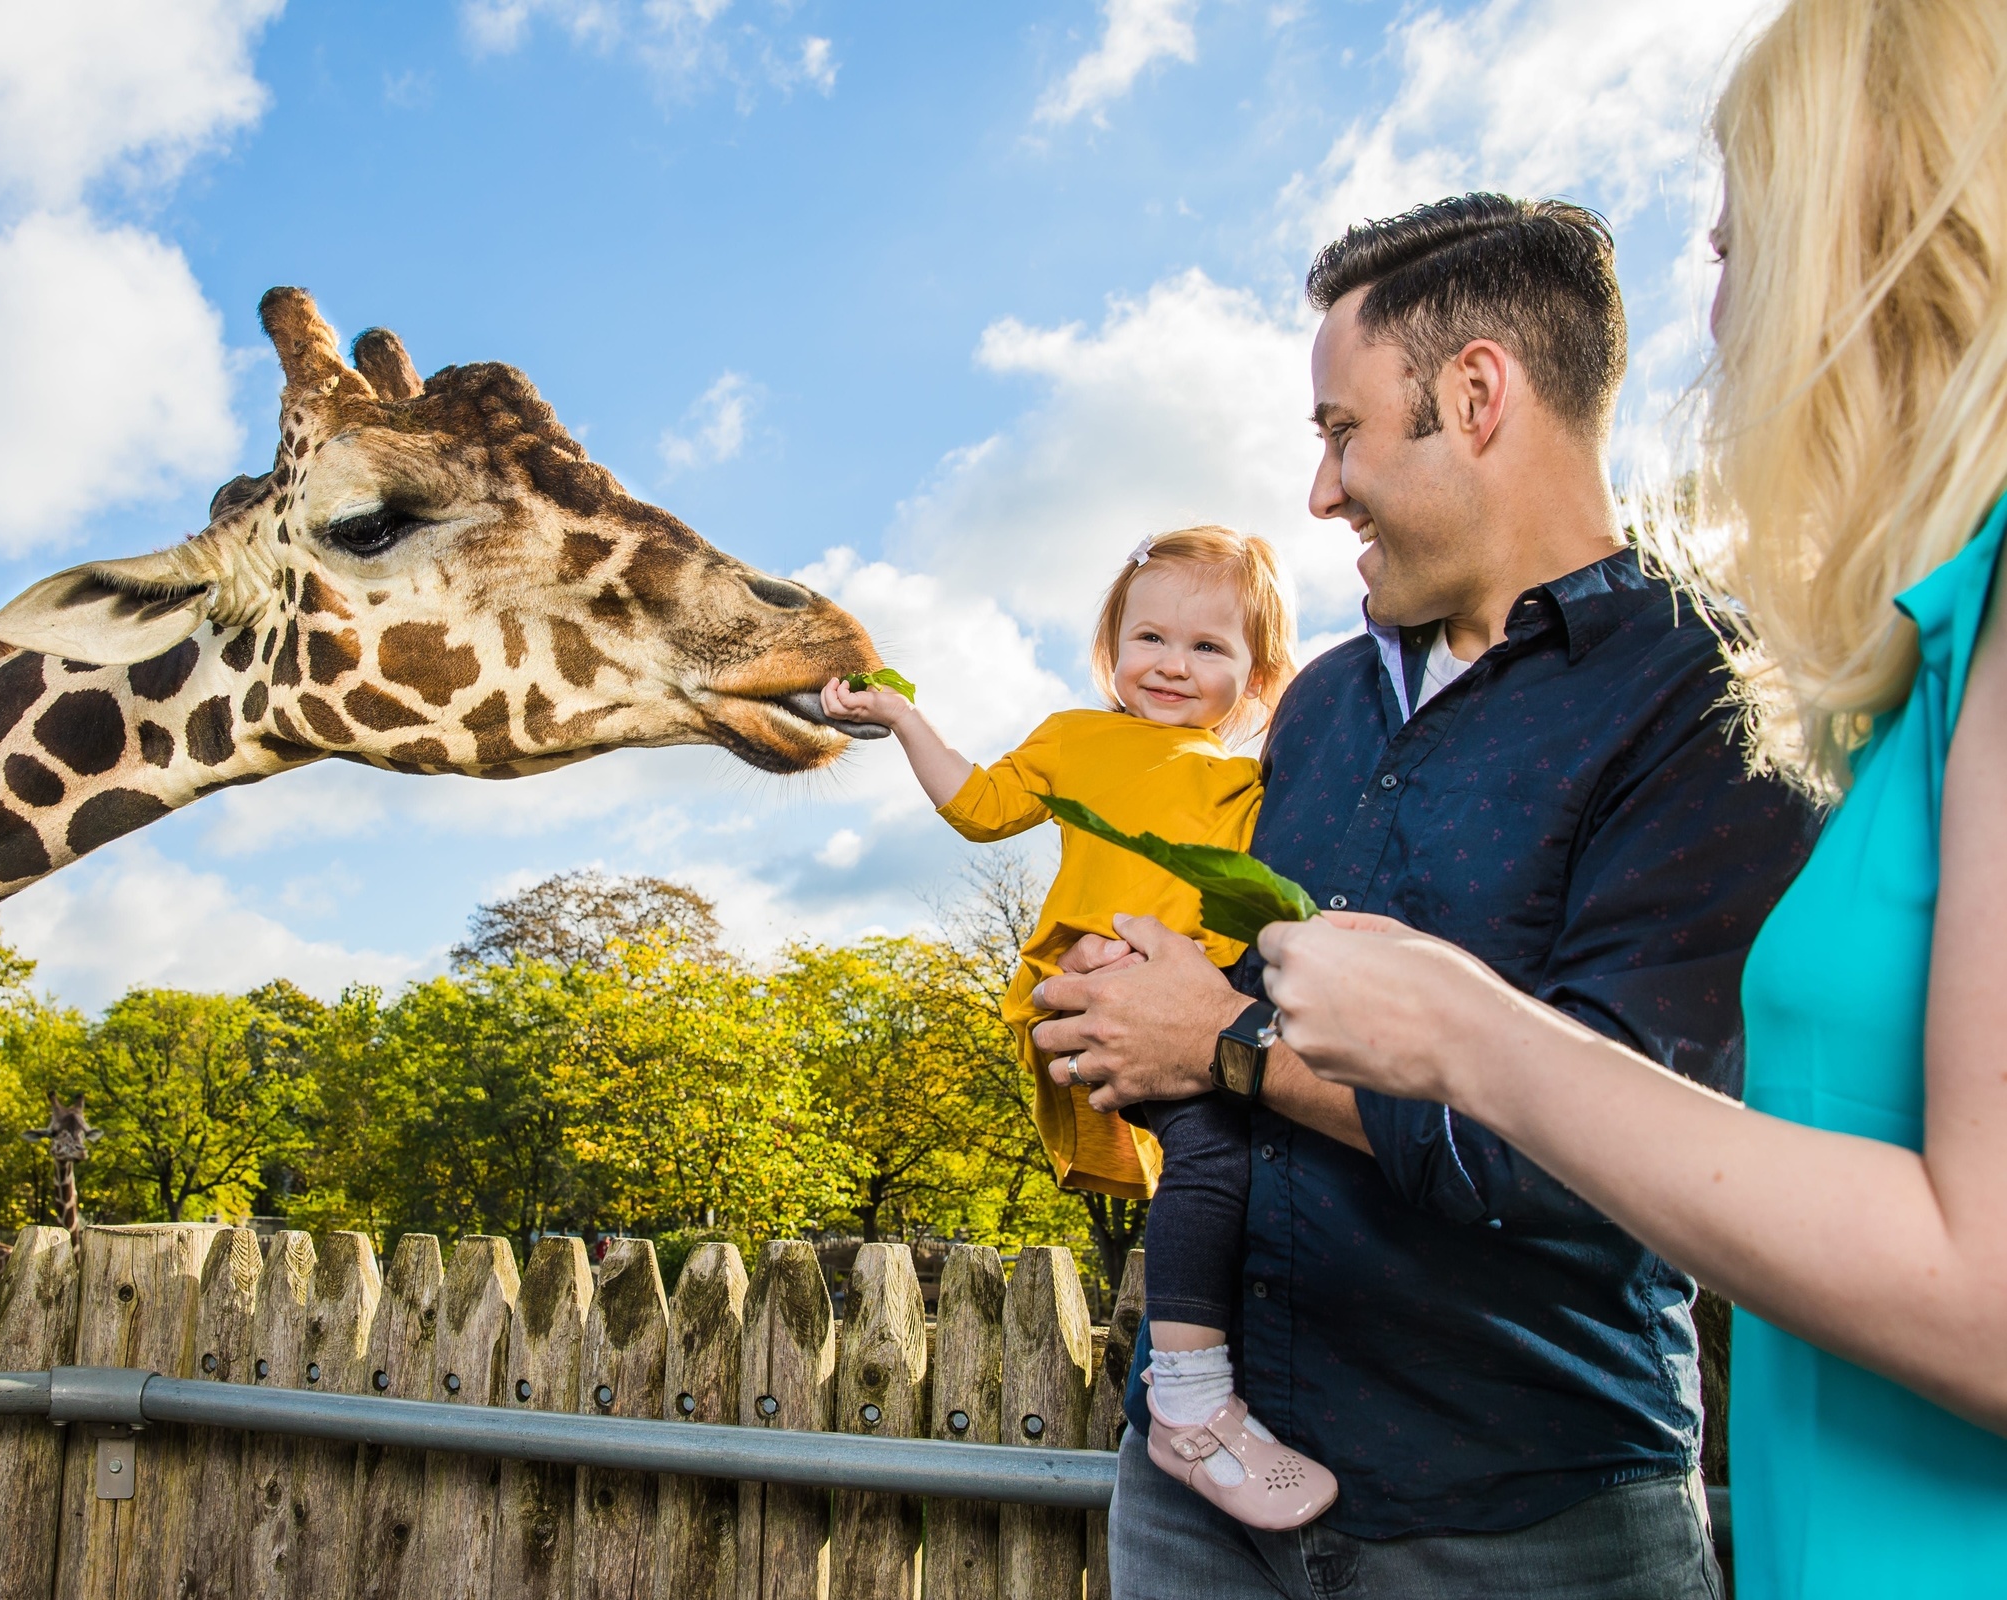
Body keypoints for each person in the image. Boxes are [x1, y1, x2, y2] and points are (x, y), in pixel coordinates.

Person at [1242, 2, 2007, 1594]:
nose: (1714, 321)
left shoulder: (1730, 685)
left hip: (1541, 1505)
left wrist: (1433, 1036)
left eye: (1737, 248)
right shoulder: (1915, 655)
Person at [1030, 192, 1819, 1599]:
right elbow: (1229, 988)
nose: (1322, 490)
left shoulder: (1714, 700)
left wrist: (1218, 1046)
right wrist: (1121, 1001)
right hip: (1195, 1504)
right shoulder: (1318, 700)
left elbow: (1622, 1145)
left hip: (1520, 1525)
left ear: (1475, 395)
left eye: (1342, 432)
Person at [821, 526, 1336, 1530]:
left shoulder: (1247, 784)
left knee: (1259, 1155)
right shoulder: (1075, 738)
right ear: (1111, 646)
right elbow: (976, 805)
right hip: (1089, 995)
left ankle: (1234, 1376)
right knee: (1215, 1157)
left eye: (1208, 648)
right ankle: (1187, 1405)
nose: (1172, 665)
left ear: (1258, 672)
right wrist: (897, 718)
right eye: (1149, 637)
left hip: (1194, 1003)